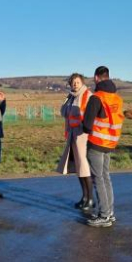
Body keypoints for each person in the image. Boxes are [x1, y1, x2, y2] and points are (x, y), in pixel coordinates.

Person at [81, 66, 124, 228]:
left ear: (96, 78)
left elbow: (87, 124)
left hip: (97, 143)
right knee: (105, 177)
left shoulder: (96, 98)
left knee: (98, 179)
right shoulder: (116, 98)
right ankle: (109, 212)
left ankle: (104, 215)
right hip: (110, 142)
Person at [56, 73, 94, 210]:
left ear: (82, 83)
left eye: (77, 82)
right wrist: (67, 98)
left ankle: (90, 199)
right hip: (73, 135)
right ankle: (84, 197)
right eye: (73, 82)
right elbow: (63, 112)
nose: (75, 84)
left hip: (82, 136)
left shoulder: (87, 96)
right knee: (79, 168)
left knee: (84, 167)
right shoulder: (72, 97)